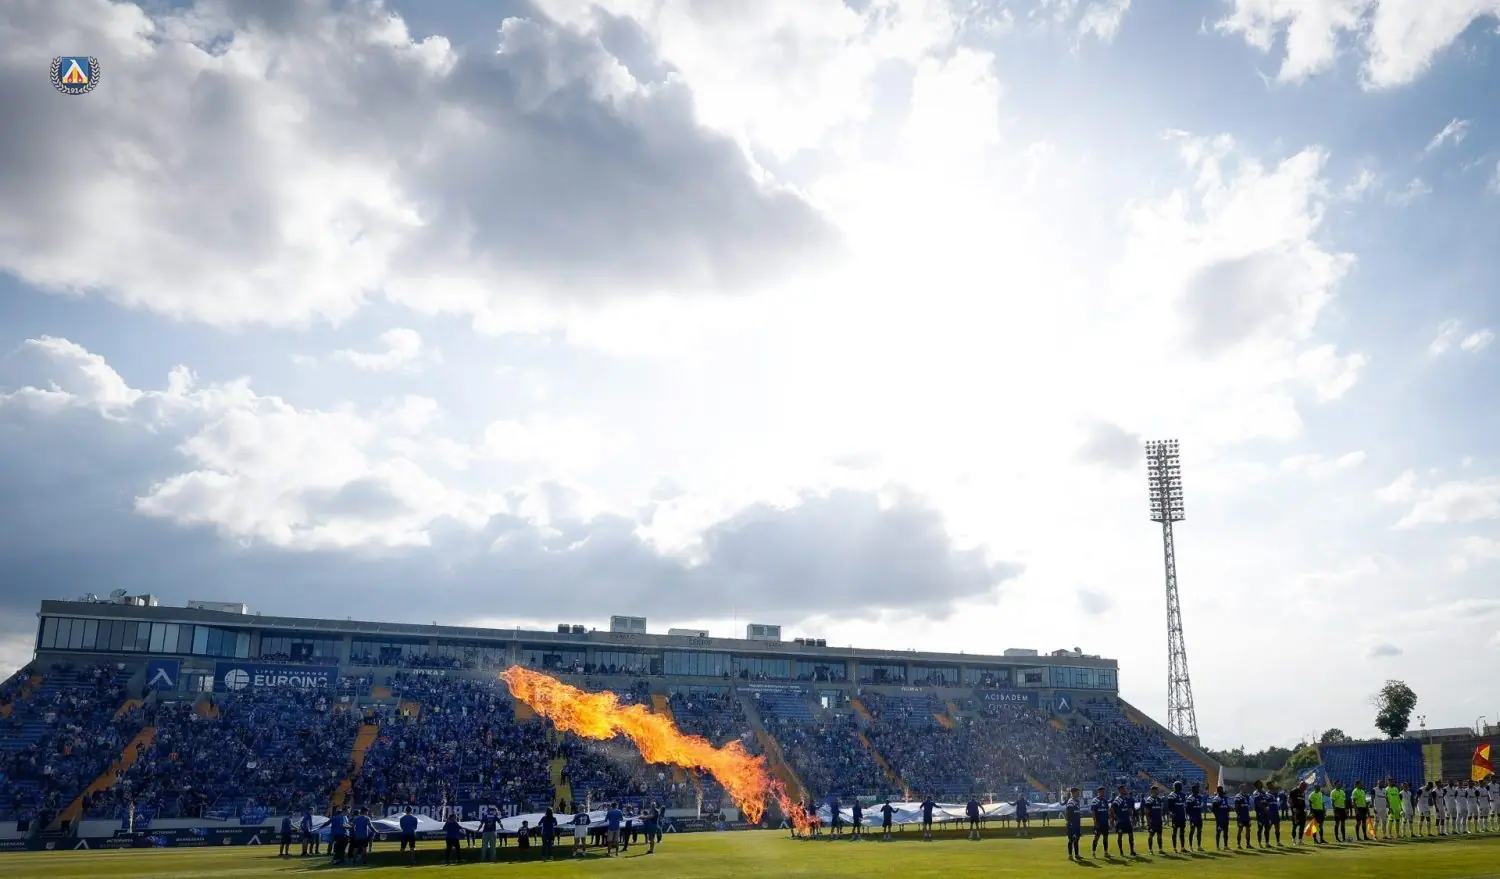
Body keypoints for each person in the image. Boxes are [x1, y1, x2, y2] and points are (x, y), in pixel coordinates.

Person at [1111, 784, 1136, 856]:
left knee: (1131, 835)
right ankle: (1121, 852)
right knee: (1120, 836)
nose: (1125, 790)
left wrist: (1132, 818)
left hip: (1127, 821)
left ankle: (1132, 851)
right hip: (1120, 822)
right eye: (1123, 789)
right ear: (1120, 790)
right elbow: (1112, 808)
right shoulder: (1118, 799)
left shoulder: (1127, 799)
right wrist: (1115, 817)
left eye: (1125, 789)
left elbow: (1129, 809)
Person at [1167, 781, 1187, 852]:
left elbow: (1183, 805)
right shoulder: (1171, 795)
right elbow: (1170, 807)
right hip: (1175, 816)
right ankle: (1174, 848)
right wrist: (1172, 813)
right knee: (1174, 832)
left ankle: (1182, 847)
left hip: (1182, 816)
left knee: (1182, 832)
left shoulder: (1183, 795)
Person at [1090, 787, 1111, 856]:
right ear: (1098, 792)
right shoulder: (1095, 801)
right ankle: (1093, 852)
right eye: (1102, 791)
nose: (1103, 793)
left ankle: (1106, 852)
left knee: (1105, 837)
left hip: (1105, 822)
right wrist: (1095, 822)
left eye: (1103, 791)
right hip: (1099, 823)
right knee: (1096, 837)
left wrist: (1109, 818)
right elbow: (1093, 812)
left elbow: (1107, 811)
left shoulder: (1105, 800)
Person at [1143, 786, 1164, 854]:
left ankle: (1160, 849)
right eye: (1157, 790)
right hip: (1152, 822)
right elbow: (1146, 812)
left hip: (1159, 821)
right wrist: (1148, 822)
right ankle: (1150, 849)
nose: (1158, 791)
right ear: (1153, 791)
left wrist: (1161, 818)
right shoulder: (1149, 800)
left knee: (1159, 836)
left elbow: (1160, 810)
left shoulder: (1159, 799)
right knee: (1151, 835)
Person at [1064, 787, 1083, 861]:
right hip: (1072, 824)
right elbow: (1068, 812)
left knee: (1077, 838)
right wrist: (1070, 822)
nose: (1078, 793)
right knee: (1071, 839)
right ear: (1074, 793)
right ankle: (1070, 855)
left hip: (1077, 823)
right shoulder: (1071, 801)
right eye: (1077, 792)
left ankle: (1077, 855)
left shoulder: (1077, 801)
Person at [1210, 785, 1230, 850]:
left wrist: (1228, 813)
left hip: (1225, 818)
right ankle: (1218, 846)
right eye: (1221, 790)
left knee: (1226, 832)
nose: (1222, 792)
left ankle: (1225, 846)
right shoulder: (1216, 799)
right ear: (1219, 791)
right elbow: (1213, 809)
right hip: (1220, 819)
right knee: (1218, 832)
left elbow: (1227, 807)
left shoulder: (1224, 798)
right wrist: (1217, 817)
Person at [1186, 783, 1204, 850]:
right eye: (1197, 789)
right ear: (1193, 790)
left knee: (1199, 832)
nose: (1198, 790)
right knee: (1192, 831)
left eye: (1198, 789)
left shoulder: (1199, 797)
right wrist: (1190, 816)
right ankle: (1191, 847)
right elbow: (1187, 809)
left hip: (1199, 817)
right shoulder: (1190, 798)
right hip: (1193, 818)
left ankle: (1199, 846)